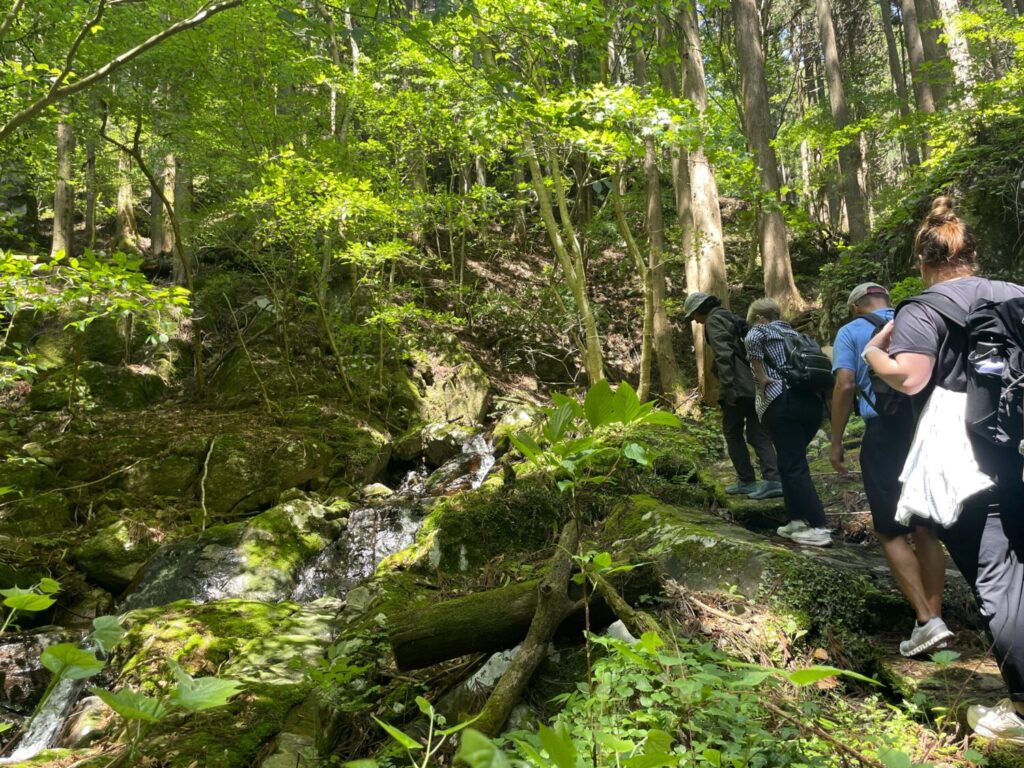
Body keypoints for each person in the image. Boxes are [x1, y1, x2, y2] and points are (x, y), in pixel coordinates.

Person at [863, 196, 1024, 744]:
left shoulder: (924, 306)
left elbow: (909, 377)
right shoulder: (1013, 292)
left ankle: (1022, 711)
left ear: (923, 262)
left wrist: (875, 354)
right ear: (972, 255)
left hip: (969, 458)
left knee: (997, 578)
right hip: (1020, 445)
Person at [829, 282, 951, 657]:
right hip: (926, 429)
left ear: (855, 306)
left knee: (890, 529)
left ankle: (926, 620)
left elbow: (845, 384)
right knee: (925, 527)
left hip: (883, 434)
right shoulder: (915, 319)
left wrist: (836, 440)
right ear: (886, 300)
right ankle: (934, 617)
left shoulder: (851, 331)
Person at [744, 298, 831, 547]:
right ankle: (796, 520)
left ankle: (819, 527)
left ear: (760, 317)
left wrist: (761, 376)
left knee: (794, 466)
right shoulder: (797, 335)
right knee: (787, 462)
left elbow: (752, 338)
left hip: (783, 402)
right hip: (811, 405)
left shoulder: (761, 330)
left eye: (754, 321)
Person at [682, 291, 782, 500]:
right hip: (755, 382)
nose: (696, 321)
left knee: (732, 431)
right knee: (758, 433)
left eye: (694, 316)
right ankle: (773, 480)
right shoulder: (729, 316)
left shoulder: (713, 320)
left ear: (701, 310)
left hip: (738, 384)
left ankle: (746, 481)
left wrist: (728, 388)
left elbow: (723, 353)